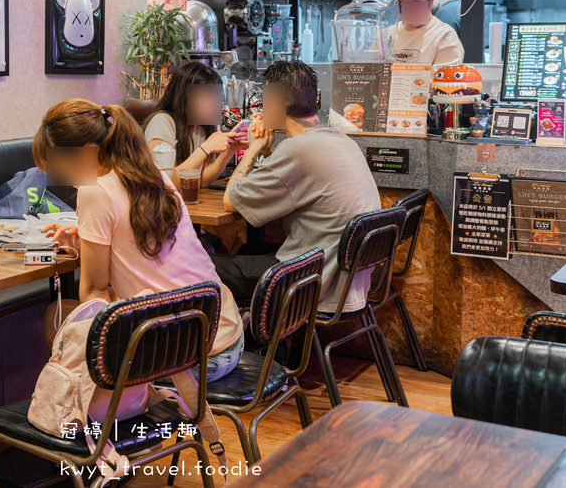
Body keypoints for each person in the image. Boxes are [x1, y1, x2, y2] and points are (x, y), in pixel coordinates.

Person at [37, 99, 244, 391]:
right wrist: (88, 240)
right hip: (226, 336)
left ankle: (107, 421)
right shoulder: (154, 175)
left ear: (84, 153)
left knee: (55, 319)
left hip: (186, 363)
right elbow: (143, 253)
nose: (58, 178)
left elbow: (95, 295)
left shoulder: (93, 191)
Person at [211, 61, 382, 314]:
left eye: (264, 99)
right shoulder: (339, 139)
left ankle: (228, 348)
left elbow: (231, 201)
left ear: (278, 104)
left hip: (309, 283)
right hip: (349, 280)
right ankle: (267, 345)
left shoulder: (299, 148)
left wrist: (254, 149)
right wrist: (270, 152)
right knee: (250, 248)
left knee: (203, 266)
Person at [143, 61, 249, 188]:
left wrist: (231, 150)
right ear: (184, 95)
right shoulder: (161, 122)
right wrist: (206, 147)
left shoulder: (203, 125)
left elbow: (203, 180)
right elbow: (166, 184)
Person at [391, 0, 464, 68]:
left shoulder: (445, 37)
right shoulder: (387, 34)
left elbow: (443, 80)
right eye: (402, 4)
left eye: (415, 3)